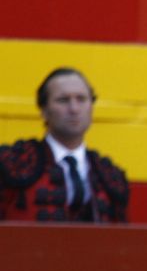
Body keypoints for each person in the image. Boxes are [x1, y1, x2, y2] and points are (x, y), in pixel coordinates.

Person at [0, 68, 129, 223]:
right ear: (43, 110)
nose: (74, 109)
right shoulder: (12, 163)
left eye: (81, 99)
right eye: (63, 100)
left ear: (91, 107)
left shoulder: (110, 175)